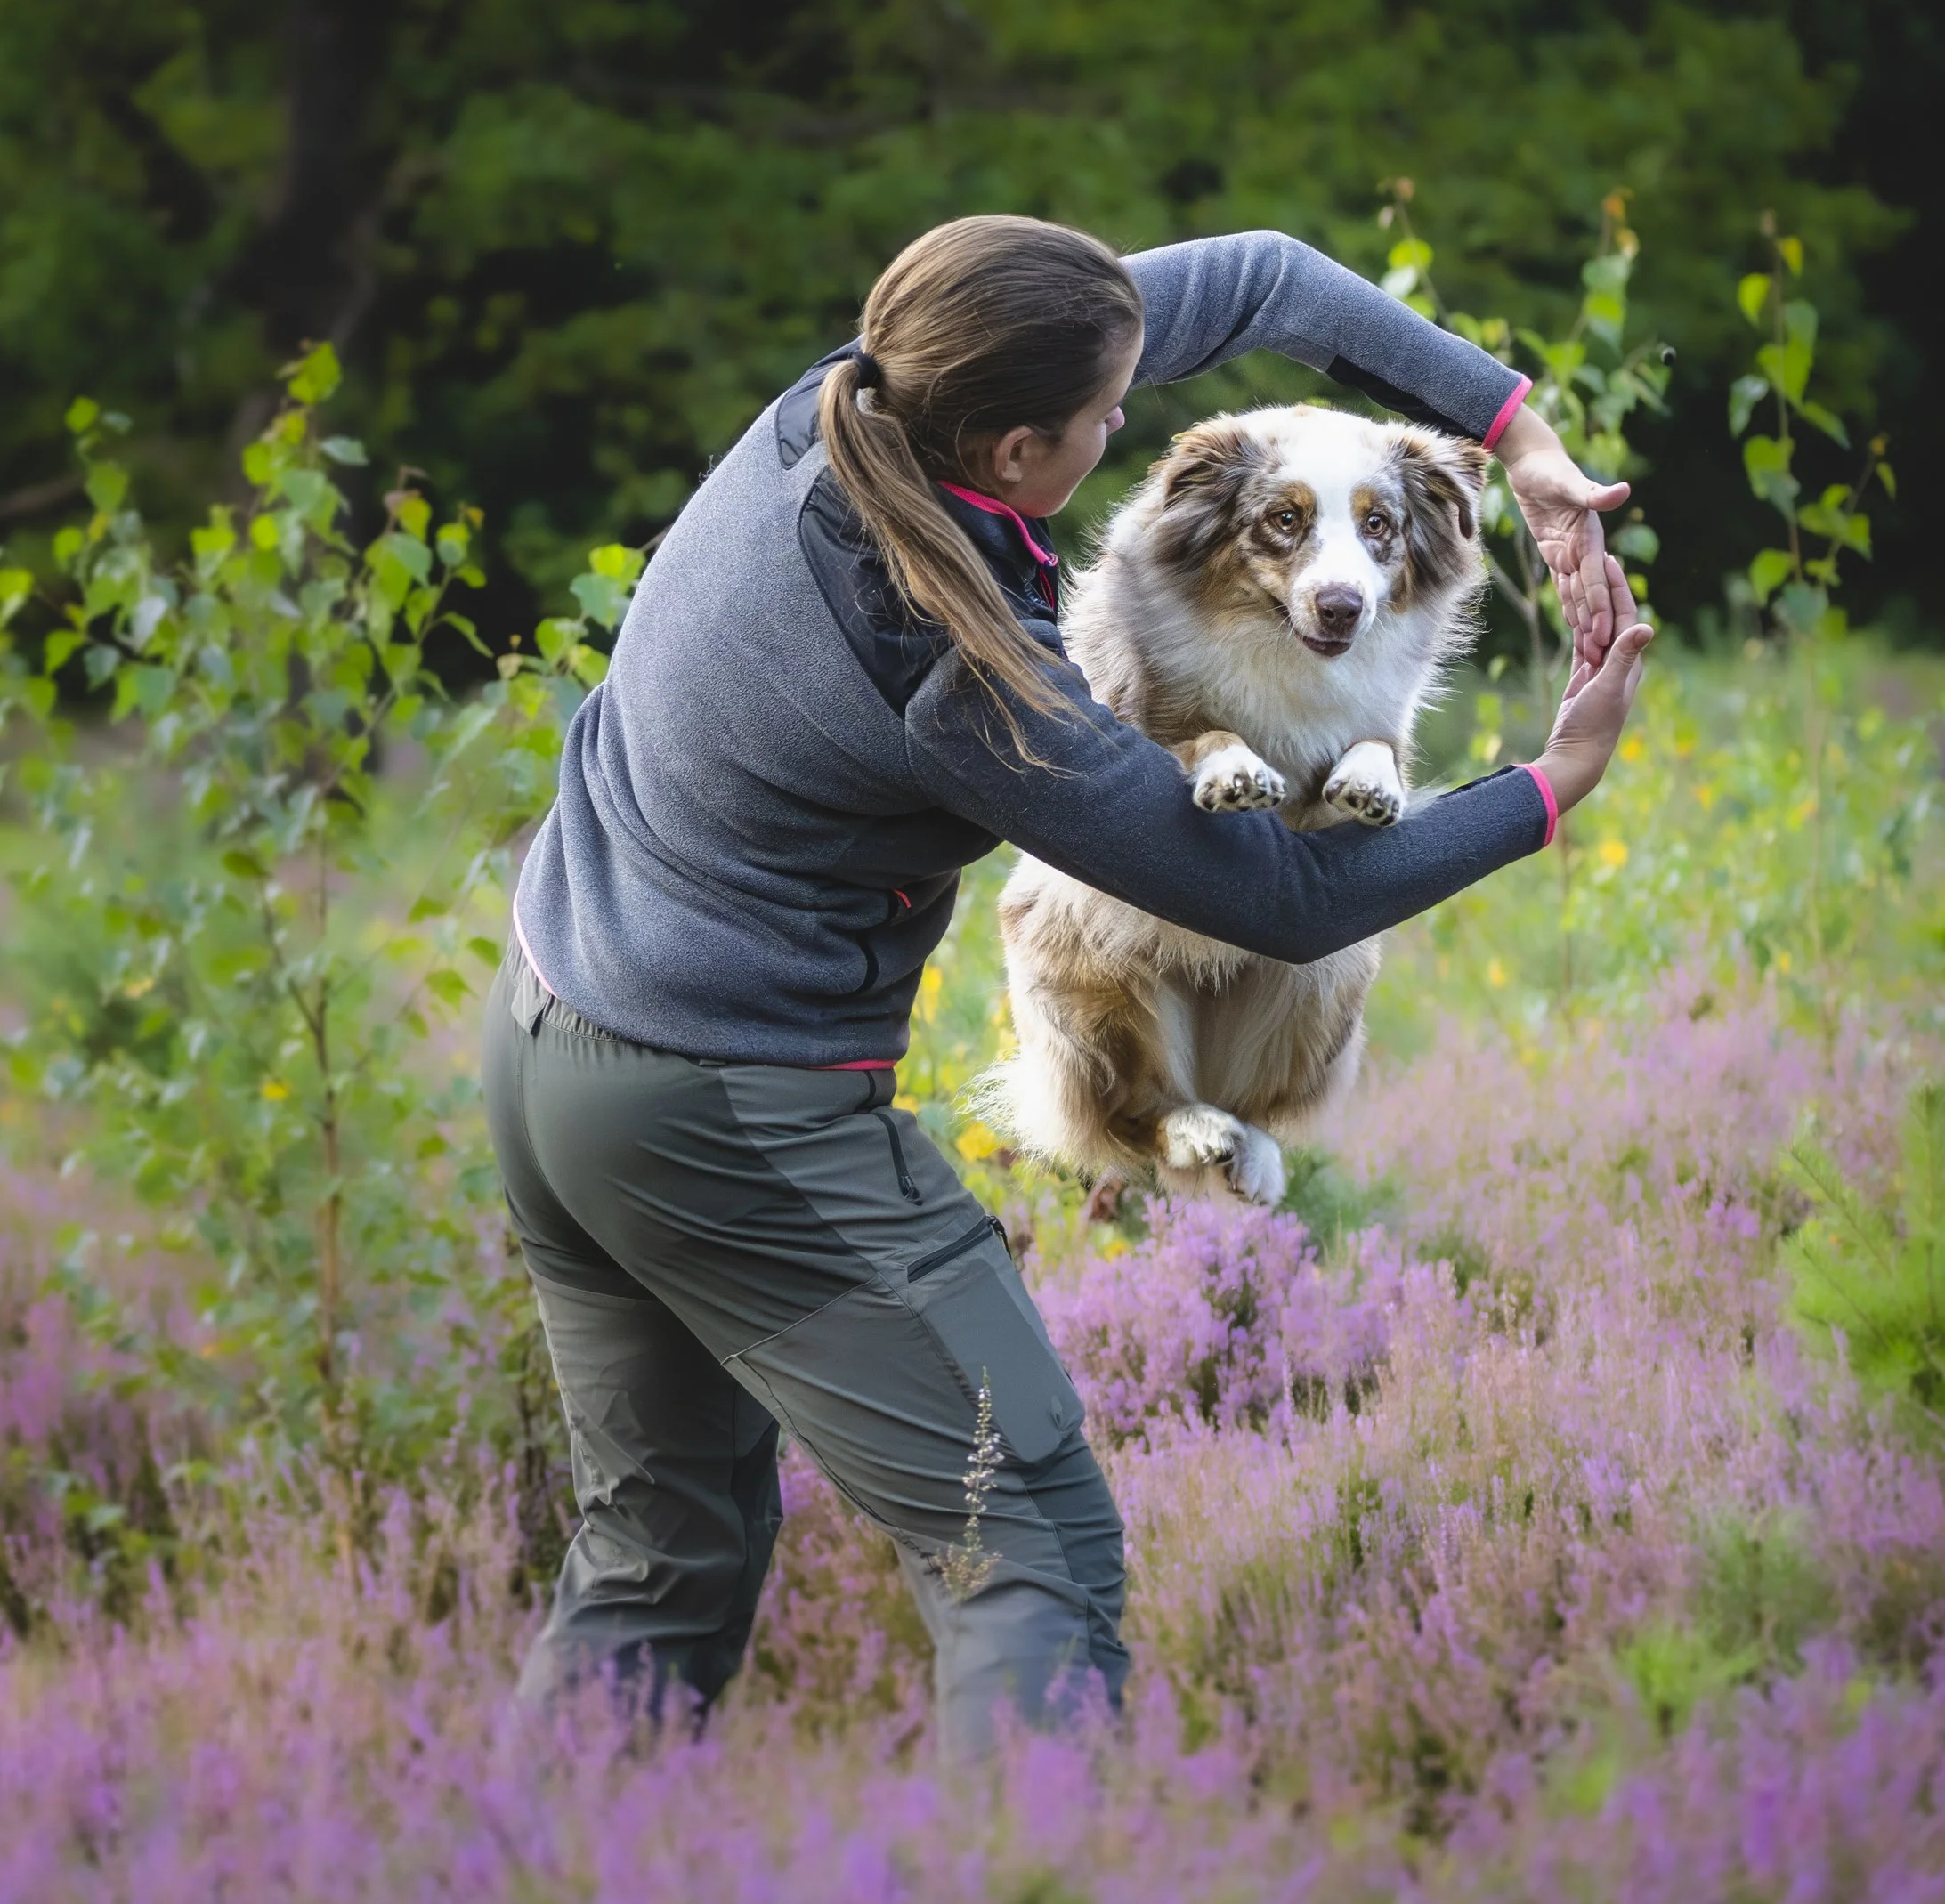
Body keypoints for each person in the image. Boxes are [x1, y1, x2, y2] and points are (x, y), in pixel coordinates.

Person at [482, 215, 1652, 1762]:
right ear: (1018, 450)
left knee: (658, 1552)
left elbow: (1267, 277)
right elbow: (1286, 901)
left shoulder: (850, 400)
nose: (1125, 432)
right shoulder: (959, 673)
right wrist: (1551, 783)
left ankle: (535, 1844)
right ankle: (1029, 1856)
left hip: (547, 1041)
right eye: (1106, 417)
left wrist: (1522, 442)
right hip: (726, 1112)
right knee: (1031, 1542)